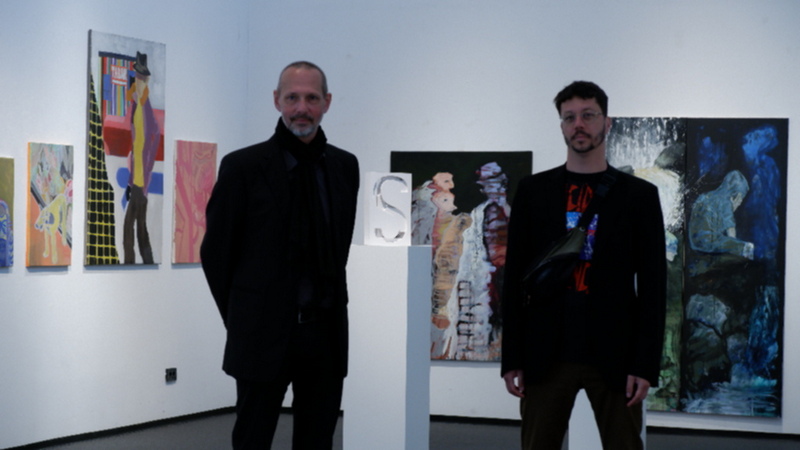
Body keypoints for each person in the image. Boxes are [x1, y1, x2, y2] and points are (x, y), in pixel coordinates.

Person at [200, 61, 360, 449]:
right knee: (252, 439)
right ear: (276, 101)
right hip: (261, 335)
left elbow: (339, 249)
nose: (301, 108)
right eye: (292, 98)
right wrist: (243, 317)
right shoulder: (243, 167)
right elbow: (216, 255)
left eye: (311, 98)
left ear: (327, 102)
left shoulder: (344, 167)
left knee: (317, 440)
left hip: (325, 335)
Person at [500, 81, 666, 450]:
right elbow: (514, 280)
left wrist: (644, 365)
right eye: (569, 117)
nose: (579, 124)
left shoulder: (638, 196)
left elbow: (654, 287)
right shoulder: (533, 192)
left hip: (615, 351)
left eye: (588, 115)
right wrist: (511, 357)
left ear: (607, 122)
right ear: (561, 125)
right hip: (546, 350)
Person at [123, 51, 159, 264]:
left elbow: (153, 140)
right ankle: (147, 261)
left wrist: (145, 175)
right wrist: (131, 181)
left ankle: (131, 262)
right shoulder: (137, 106)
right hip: (136, 180)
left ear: (145, 81)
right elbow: (135, 149)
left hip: (141, 180)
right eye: (136, 78)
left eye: (141, 79)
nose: (137, 82)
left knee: (131, 226)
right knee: (140, 228)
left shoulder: (146, 108)